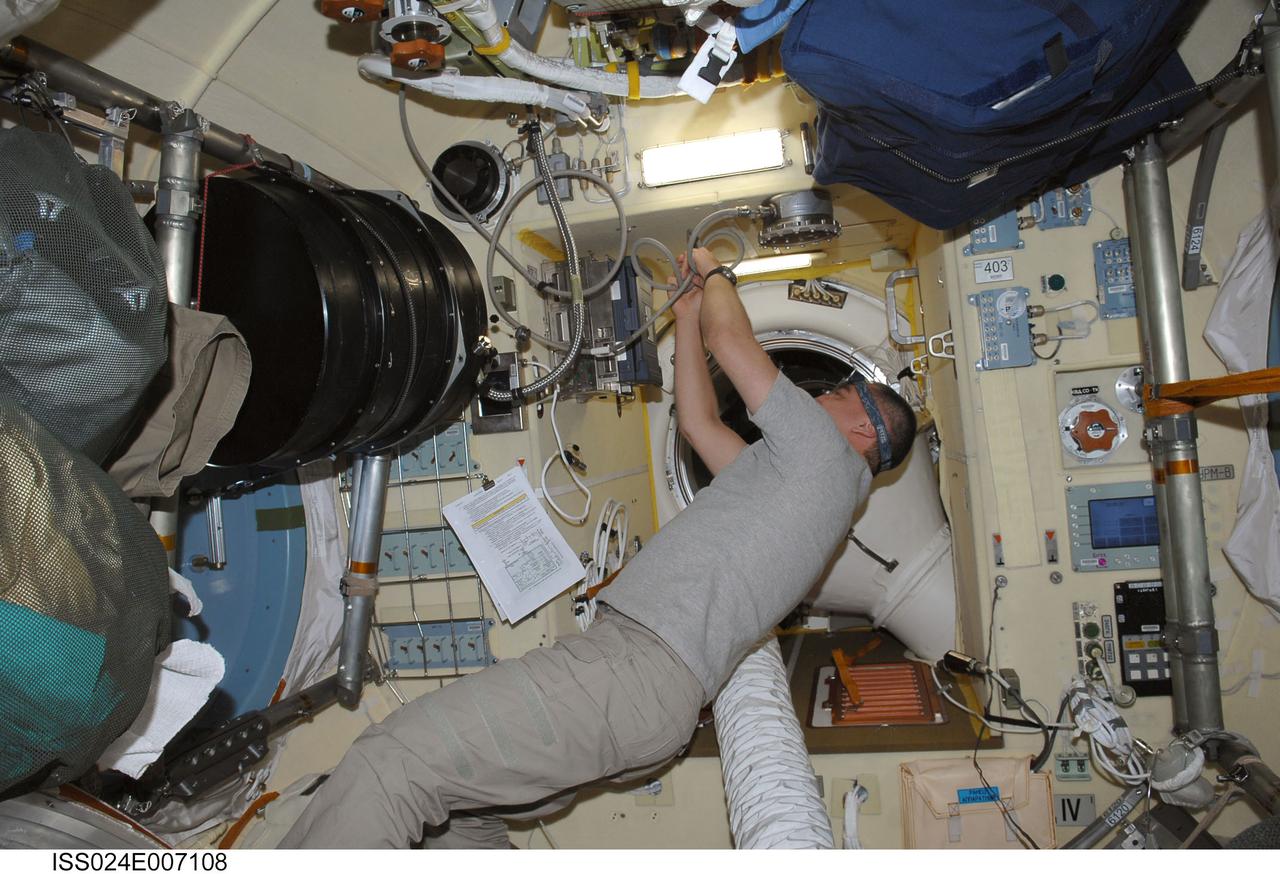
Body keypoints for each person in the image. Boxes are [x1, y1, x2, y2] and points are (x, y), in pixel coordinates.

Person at [281, 248, 917, 848]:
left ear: (862, 425)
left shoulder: (823, 454)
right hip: (647, 701)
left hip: (632, 673)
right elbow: (699, 425)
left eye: (833, 393)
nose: (816, 396)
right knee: (461, 818)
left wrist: (715, 270)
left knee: (394, 764)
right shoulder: (811, 493)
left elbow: (735, 341)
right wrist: (692, 315)